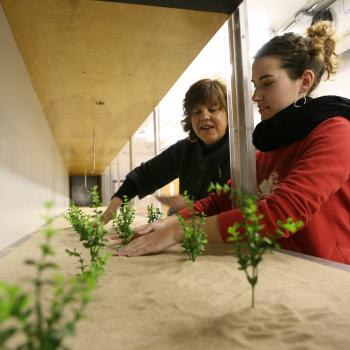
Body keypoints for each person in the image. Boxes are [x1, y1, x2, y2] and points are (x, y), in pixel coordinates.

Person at [114, 21, 350, 264]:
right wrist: (172, 221)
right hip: (282, 264)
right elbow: (224, 199)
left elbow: (282, 213)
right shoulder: (273, 144)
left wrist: (181, 230)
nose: (255, 96)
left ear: (305, 81)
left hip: (327, 270)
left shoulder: (336, 131)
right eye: (255, 85)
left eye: (267, 83)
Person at [102, 79, 230, 224]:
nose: (204, 116)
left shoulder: (240, 153)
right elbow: (144, 175)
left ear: (228, 112)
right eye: (196, 111)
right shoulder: (184, 149)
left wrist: (190, 206)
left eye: (212, 109)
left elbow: (236, 207)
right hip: (184, 230)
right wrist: (113, 207)